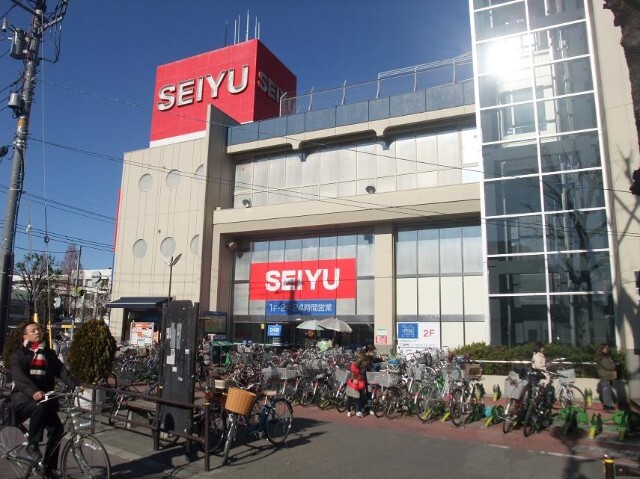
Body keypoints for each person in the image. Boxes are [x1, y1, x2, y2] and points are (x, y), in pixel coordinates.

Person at [10, 322, 78, 479]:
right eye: (33, 330)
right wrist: (33, 392)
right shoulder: (19, 356)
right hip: (23, 399)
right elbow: (19, 378)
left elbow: (61, 371)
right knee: (38, 407)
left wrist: (76, 385)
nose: (37, 332)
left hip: (45, 398)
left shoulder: (49, 354)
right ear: (25, 336)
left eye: (38, 329)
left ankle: (48, 468)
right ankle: (32, 445)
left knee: (57, 430)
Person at [595, 343, 617, 411]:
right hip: (606, 376)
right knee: (606, 391)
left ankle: (608, 404)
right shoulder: (603, 358)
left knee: (607, 391)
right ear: (602, 349)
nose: (607, 349)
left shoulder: (603, 357)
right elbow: (610, 366)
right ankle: (607, 405)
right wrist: (613, 364)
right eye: (606, 348)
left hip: (606, 376)